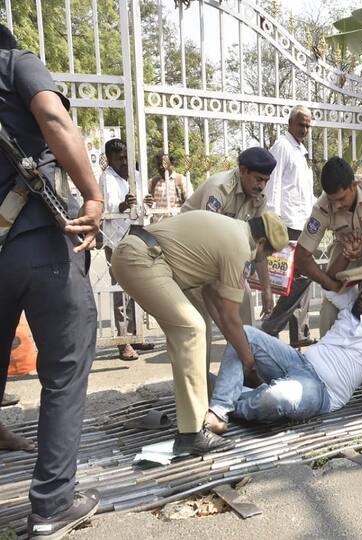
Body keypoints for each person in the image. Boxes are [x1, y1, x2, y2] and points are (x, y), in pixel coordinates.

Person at [0, 23, 103, 538]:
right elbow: (51, 115)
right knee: (64, 370)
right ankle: (51, 506)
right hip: (37, 239)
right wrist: (93, 195)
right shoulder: (14, 62)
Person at [110, 210, 289, 455]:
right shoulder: (238, 248)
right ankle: (192, 434)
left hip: (141, 255)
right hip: (142, 259)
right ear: (260, 243)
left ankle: (197, 413)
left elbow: (213, 298)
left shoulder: (233, 230)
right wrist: (250, 364)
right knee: (192, 330)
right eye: (266, 254)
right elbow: (230, 317)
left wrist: (234, 338)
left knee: (193, 330)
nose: (262, 260)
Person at [204, 268, 362, 431]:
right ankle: (220, 409)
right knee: (244, 334)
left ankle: (238, 397)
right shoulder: (350, 305)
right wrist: (352, 271)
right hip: (298, 362)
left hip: (322, 390)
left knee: (275, 398)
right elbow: (328, 279)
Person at [181, 147, 277, 371]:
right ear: (242, 171)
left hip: (222, 262)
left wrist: (266, 289)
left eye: (266, 180)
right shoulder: (219, 189)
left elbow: (259, 244)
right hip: (191, 259)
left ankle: (243, 376)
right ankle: (201, 388)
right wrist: (222, 311)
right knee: (199, 327)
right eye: (258, 179)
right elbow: (207, 240)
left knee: (243, 313)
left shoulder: (258, 198)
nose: (261, 185)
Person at [295, 156, 362, 337]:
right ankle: (327, 354)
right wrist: (331, 285)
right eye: (332, 200)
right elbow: (301, 256)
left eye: (341, 199)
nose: (337, 205)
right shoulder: (322, 208)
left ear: (354, 185)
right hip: (342, 248)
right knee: (330, 305)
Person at [261, 105, 316, 347]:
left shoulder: (301, 152)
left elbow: (302, 192)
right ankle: (270, 327)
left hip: (302, 222)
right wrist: (273, 223)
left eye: (307, 126)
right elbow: (272, 187)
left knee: (299, 281)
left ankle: (300, 333)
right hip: (287, 224)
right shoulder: (282, 146)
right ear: (290, 123)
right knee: (298, 280)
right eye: (301, 124)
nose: (304, 129)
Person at [98, 138, 154, 360]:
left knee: (137, 287)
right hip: (115, 239)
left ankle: (136, 335)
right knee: (120, 290)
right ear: (110, 159)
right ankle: (123, 342)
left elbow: (142, 208)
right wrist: (122, 206)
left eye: (126, 157)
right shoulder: (106, 178)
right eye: (119, 158)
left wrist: (146, 203)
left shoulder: (137, 176)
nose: (123, 161)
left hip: (137, 234)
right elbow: (106, 207)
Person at [148, 153, 189, 221]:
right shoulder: (153, 182)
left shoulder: (181, 180)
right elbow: (143, 201)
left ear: (171, 165)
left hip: (175, 224)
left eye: (164, 164)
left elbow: (190, 203)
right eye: (159, 165)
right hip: (157, 226)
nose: (161, 167)